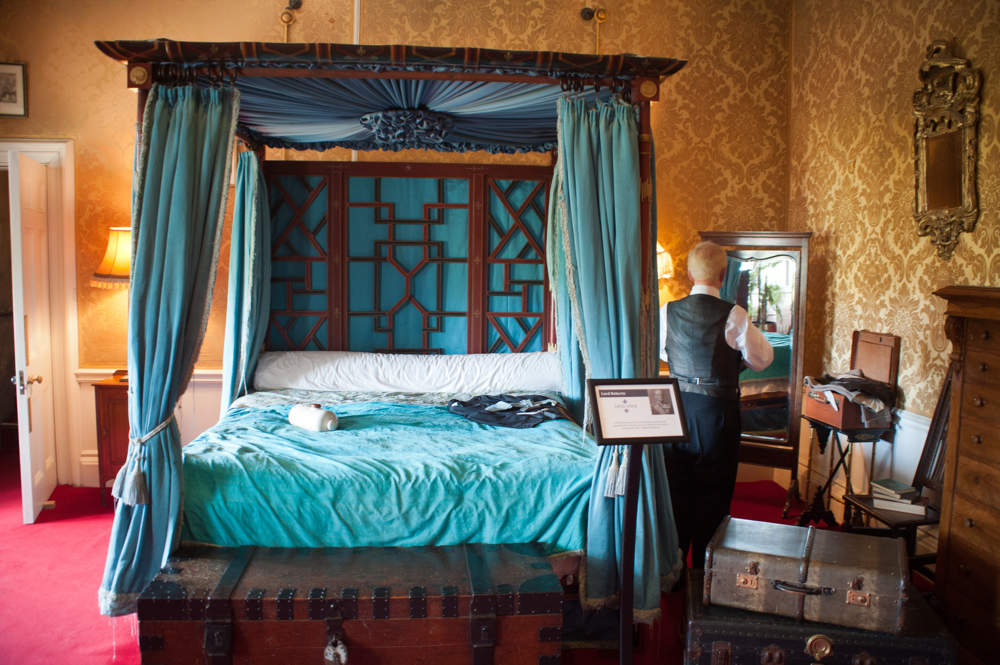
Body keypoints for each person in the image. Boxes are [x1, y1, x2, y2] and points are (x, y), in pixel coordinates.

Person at [661, 240, 773, 567]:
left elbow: (662, 352)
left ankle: (674, 568)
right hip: (716, 414)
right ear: (723, 274)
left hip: (677, 409)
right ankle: (703, 570)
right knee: (714, 492)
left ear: (688, 274)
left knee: (677, 488)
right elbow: (763, 359)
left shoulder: (668, 310)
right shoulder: (734, 314)